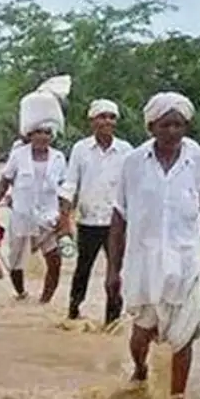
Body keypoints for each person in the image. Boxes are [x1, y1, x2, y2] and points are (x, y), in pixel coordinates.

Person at [107, 92, 200, 399]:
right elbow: (119, 215)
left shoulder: (199, 160)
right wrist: (113, 270)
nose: (173, 131)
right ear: (151, 127)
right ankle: (140, 368)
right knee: (141, 333)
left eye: (179, 125)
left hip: (186, 262)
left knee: (184, 337)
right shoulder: (133, 162)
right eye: (165, 125)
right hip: (144, 262)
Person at [0, 92, 68, 302]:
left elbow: (66, 190)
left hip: (49, 218)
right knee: (15, 262)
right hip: (22, 216)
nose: (43, 136)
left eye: (47, 132)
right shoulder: (18, 155)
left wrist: (66, 218)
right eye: (38, 132)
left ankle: (45, 300)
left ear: (52, 135)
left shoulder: (59, 158)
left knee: (55, 260)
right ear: (30, 134)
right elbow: (4, 182)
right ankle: (21, 293)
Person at [60, 98, 133, 323]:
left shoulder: (126, 150)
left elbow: (134, 187)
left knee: (116, 272)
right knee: (83, 269)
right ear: (92, 121)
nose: (107, 121)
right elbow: (70, 185)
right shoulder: (81, 149)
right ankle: (73, 311)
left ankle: (112, 318)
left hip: (117, 223)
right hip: (89, 221)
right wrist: (65, 220)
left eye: (111, 117)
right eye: (102, 117)